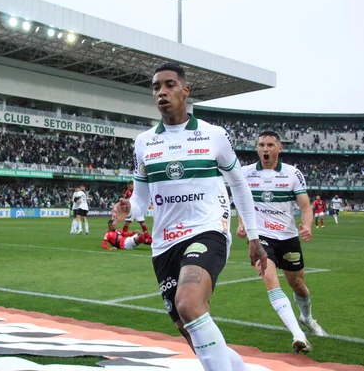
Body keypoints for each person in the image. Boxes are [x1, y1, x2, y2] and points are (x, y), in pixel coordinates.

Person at [112, 63, 267, 371]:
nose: (162, 92)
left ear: (186, 90)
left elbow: (238, 183)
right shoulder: (144, 142)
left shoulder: (213, 135)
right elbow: (142, 200)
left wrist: (253, 235)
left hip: (207, 231)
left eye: (169, 85)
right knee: (191, 331)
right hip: (164, 244)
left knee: (189, 303)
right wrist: (129, 209)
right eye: (156, 87)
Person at [238, 131, 327, 354]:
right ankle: (298, 335)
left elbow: (306, 206)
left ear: (279, 148)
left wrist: (306, 226)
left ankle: (306, 318)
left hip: (288, 238)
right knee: (269, 279)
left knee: (298, 286)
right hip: (260, 237)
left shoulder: (292, 173)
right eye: (261, 145)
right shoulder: (245, 173)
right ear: (256, 148)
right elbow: (241, 202)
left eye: (269, 145)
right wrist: (242, 224)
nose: (265, 149)